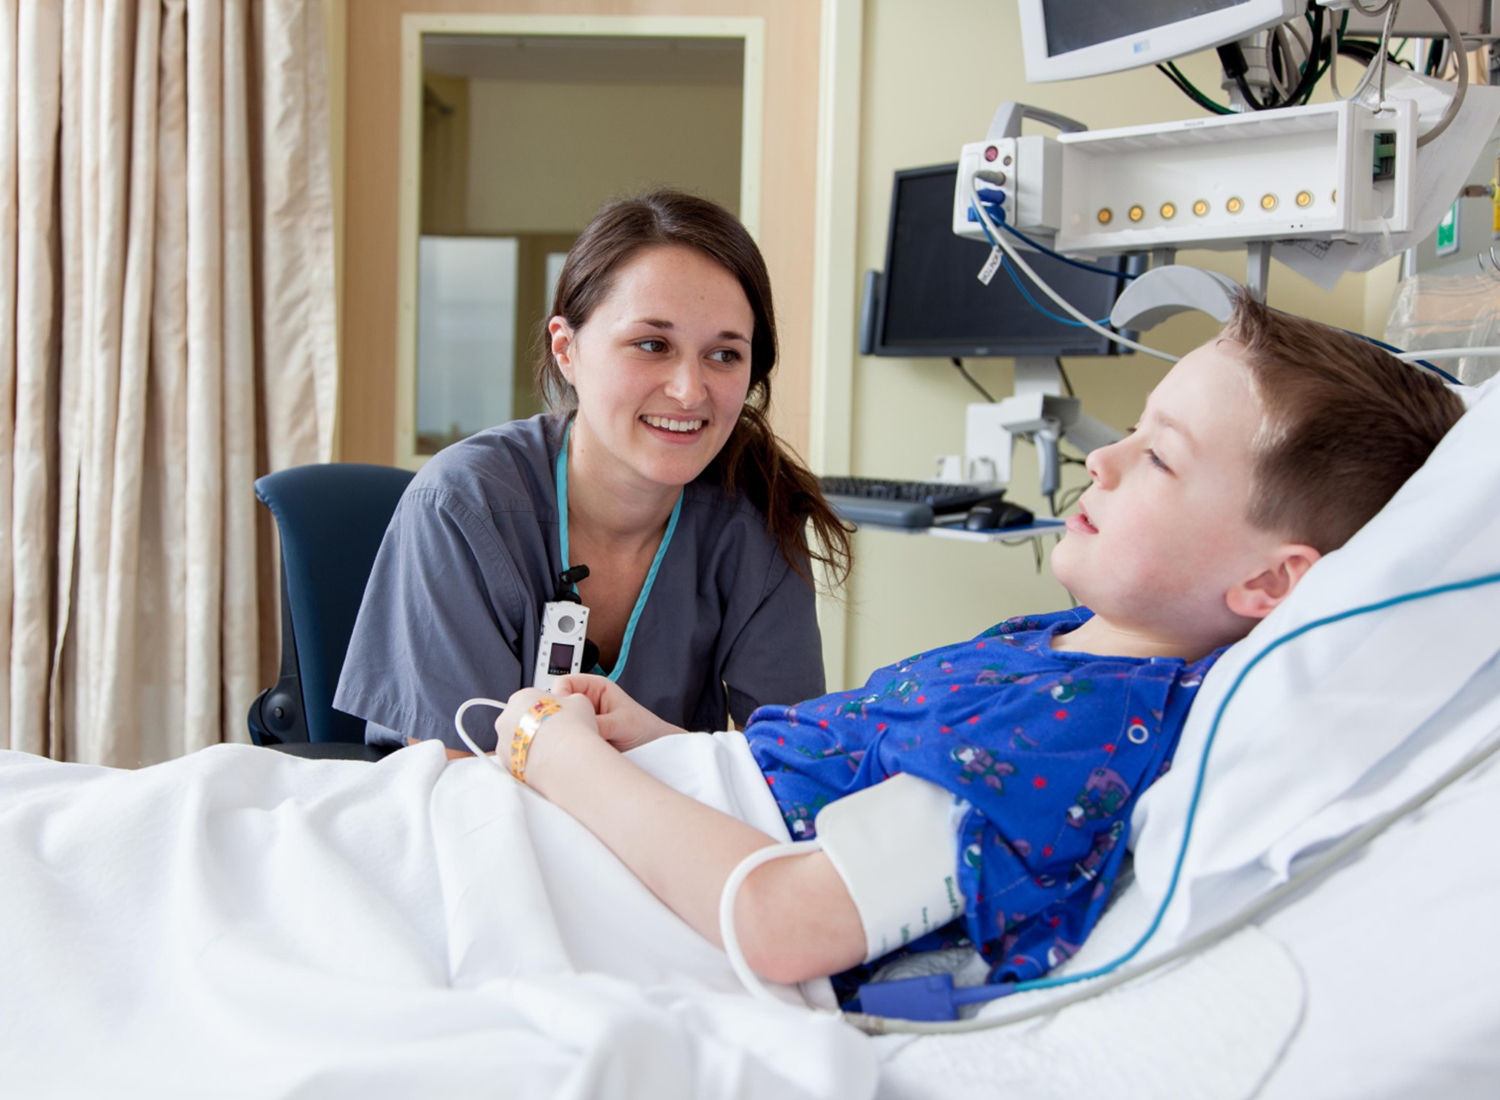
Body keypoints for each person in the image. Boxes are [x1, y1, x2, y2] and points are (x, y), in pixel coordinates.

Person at [463, 295, 1466, 988]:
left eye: (1159, 456)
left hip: (625, 872)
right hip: (651, 806)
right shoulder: (1065, 643)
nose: (1102, 458)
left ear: (1270, 581)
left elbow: (788, 920)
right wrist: (663, 742)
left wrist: (564, 761)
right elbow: (835, 766)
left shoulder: (1084, 728)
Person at [336, 191, 852, 752]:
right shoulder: (463, 504)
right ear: (566, 349)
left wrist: (660, 743)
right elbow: (461, 788)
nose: (689, 390)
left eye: (724, 355)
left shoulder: (758, 514)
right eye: (652, 344)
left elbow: (797, 765)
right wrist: (675, 761)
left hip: (654, 833)